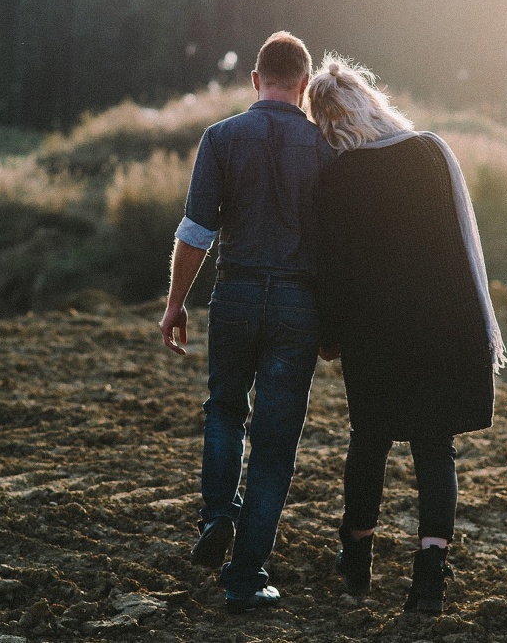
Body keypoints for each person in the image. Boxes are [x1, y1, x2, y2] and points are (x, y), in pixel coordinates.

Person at [307, 54, 507, 616]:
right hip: (444, 325)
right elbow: (460, 247)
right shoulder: (428, 152)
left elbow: (334, 270)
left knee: (367, 442)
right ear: (371, 103)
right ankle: (428, 580)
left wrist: (329, 336)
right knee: (433, 448)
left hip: (375, 334)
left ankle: (356, 567)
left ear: (324, 122)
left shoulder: (334, 179)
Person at [159, 31, 335, 614]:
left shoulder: (221, 137)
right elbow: (338, 248)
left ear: (256, 80)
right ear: (305, 85)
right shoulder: (324, 148)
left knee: (224, 410)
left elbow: (195, 234)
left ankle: (216, 515)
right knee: (275, 445)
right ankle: (245, 576)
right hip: (296, 305)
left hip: (233, 296)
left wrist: (175, 304)